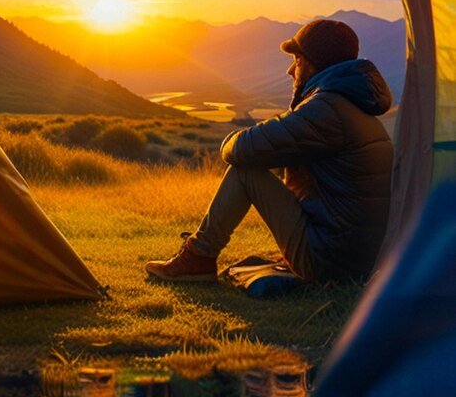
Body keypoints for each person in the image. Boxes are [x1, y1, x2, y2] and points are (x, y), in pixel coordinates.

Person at [146, 19, 393, 283]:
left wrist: (229, 141)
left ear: (313, 64)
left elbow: (242, 149)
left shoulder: (326, 109)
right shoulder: (353, 106)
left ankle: (200, 255)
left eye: (297, 60)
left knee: (246, 170)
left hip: (330, 262)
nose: (290, 71)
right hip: (358, 258)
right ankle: (200, 255)